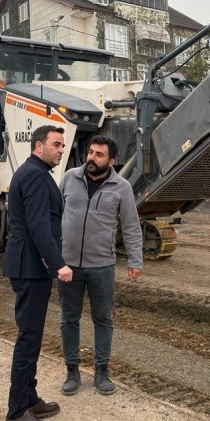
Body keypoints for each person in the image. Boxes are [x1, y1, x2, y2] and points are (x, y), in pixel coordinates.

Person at [2, 125, 73, 421]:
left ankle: (29, 399)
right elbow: (39, 227)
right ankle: (17, 414)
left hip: (31, 267)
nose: (61, 149)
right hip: (30, 267)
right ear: (38, 145)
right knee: (28, 340)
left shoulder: (37, 172)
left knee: (32, 337)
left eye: (62, 145)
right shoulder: (34, 174)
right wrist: (59, 264)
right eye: (56, 144)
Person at [58, 135, 143, 397]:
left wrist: (135, 259)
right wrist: (52, 254)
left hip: (102, 266)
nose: (92, 158)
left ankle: (101, 372)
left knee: (103, 319)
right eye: (91, 152)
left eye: (99, 154)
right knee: (69, 319)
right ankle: (72, 371)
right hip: (69, 265)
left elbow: (130, 225)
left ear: (112, 161)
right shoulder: (69, 178)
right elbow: (54, 214)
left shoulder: (122, 187)